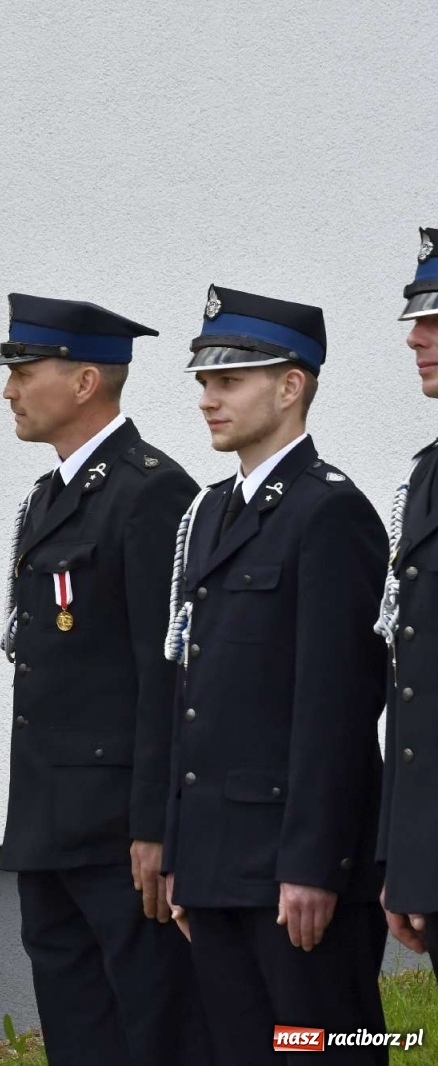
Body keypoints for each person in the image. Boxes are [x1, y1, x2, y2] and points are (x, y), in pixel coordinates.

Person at [162, 286, 388, 1062]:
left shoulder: (329, 513)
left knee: (316, 1050)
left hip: (294, 876)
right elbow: (192, 696)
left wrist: (314, 866)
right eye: (203, 381)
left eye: (230, 380)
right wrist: (180, 853)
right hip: (219, 862)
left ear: (290, 387)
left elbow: (338, 707)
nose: (207, 399)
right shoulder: (211, 512)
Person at [0, 295, 208, 1064]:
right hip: (50, 826)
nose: (9, 390)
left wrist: (156, 827)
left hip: (120, 832)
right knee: (79, 1036)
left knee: (156, 1032)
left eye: (24, 371)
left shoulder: (150, 492)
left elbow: (167, 672)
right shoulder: (50, 498)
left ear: (85, 382)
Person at [377, 226, 438, 970]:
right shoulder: (425, 477)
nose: (416, 338)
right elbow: (415, 689)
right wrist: (408, 859)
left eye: (435, 319)